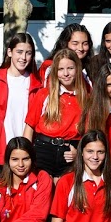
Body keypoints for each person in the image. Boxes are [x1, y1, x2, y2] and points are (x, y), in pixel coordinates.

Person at [23, 48, 88, 179]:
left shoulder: (87, 99)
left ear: (77, 69)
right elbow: (29, 128)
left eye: (70, 68)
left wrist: (79, 154)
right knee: (43, 193)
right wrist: (25, 156)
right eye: (60, 69)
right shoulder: (44, 95)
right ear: (55, 72)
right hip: (43, 150)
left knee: (63, 195)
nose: (66, 73)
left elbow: (89, 136)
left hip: (70, 153)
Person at [0, 33, 42, 179]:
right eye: (19, 52)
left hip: (25, 157)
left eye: (28, 53)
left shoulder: (37, 85)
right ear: (10, 52)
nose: (23, 58)